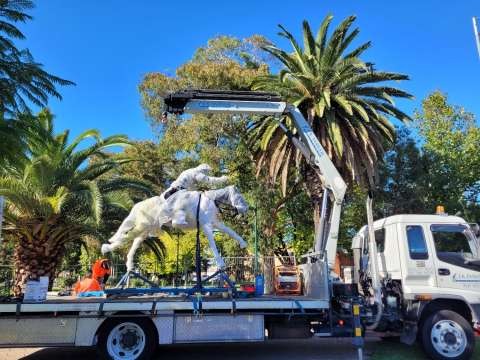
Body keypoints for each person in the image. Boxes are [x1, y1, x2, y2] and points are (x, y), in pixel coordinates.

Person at [161, 164, 229, 200]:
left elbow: (192, 188)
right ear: (204, 170)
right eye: (207, 172)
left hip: (172, 188)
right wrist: (223, 179)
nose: (206, 174)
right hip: (179, 192)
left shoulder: (189, 170)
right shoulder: (197, 173)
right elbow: (209, 180)